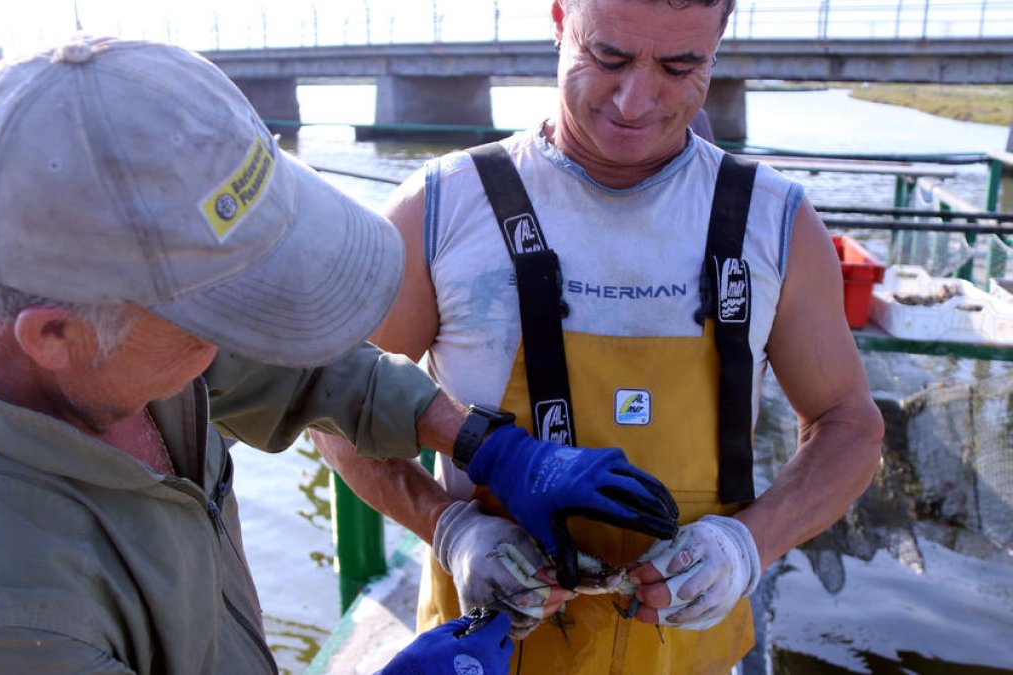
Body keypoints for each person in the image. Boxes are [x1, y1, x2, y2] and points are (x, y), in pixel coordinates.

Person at [0, 36, 681, 675]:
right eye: (215, 318)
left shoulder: (118, 345)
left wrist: (485, 443)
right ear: (53, 335)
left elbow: (306, 370)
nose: (237, 341)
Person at [314, 0, 885, 672]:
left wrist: (747, 544)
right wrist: (449, 526)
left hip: (686, 656)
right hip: (489, 653)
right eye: (608, 57)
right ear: (559, 16)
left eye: (680, 66)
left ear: (720, 39)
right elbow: (332, 402)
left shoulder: (772, 220)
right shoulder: (441, 207)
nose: (635, 100)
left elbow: (849, 425)